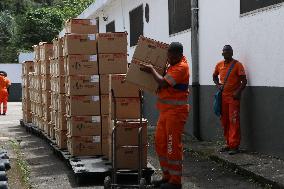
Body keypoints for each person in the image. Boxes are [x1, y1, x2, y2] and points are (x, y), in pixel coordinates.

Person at [140, 42, 190, 189]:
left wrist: (151, 70)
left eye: (171, 56)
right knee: (160, 143)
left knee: (171, 146)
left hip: (175, 113)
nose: (168, 58)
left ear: (179, 55)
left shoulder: (181, 67)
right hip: (166, 112)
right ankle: (166, 176)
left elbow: (163, 83)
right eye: (168, 55)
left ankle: (175, 182)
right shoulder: (172, 65)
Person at [213, 45, 247, 155]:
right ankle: (228, 144)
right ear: (222, 53)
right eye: (224, 51)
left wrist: (238, 92)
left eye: (228, 51)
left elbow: (244, 81)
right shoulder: (219, 65)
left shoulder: (238, 65)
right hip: (222, 97)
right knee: (225, 121)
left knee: (234, 121)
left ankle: (234, 146)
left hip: (233, 98)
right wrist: (218, 85)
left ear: (232, 53)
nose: (226, 53)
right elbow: (214, 76)